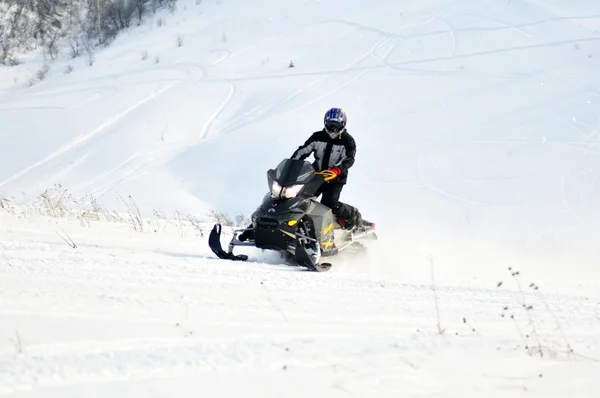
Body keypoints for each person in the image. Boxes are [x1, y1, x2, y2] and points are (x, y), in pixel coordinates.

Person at [290, 107, 368, 230]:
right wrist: (292, 163)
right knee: (300, 200)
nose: (333, 128)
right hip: (316, 175)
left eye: (336, 125)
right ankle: (297, 226)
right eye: (330, 124)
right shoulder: (317, 137)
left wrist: (336, 170)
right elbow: (303, 151)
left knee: (329, 203)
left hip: (336, 178)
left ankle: (352, 215)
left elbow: (349, 159)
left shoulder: (348, 141)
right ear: (325, 123)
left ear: (343, 124)